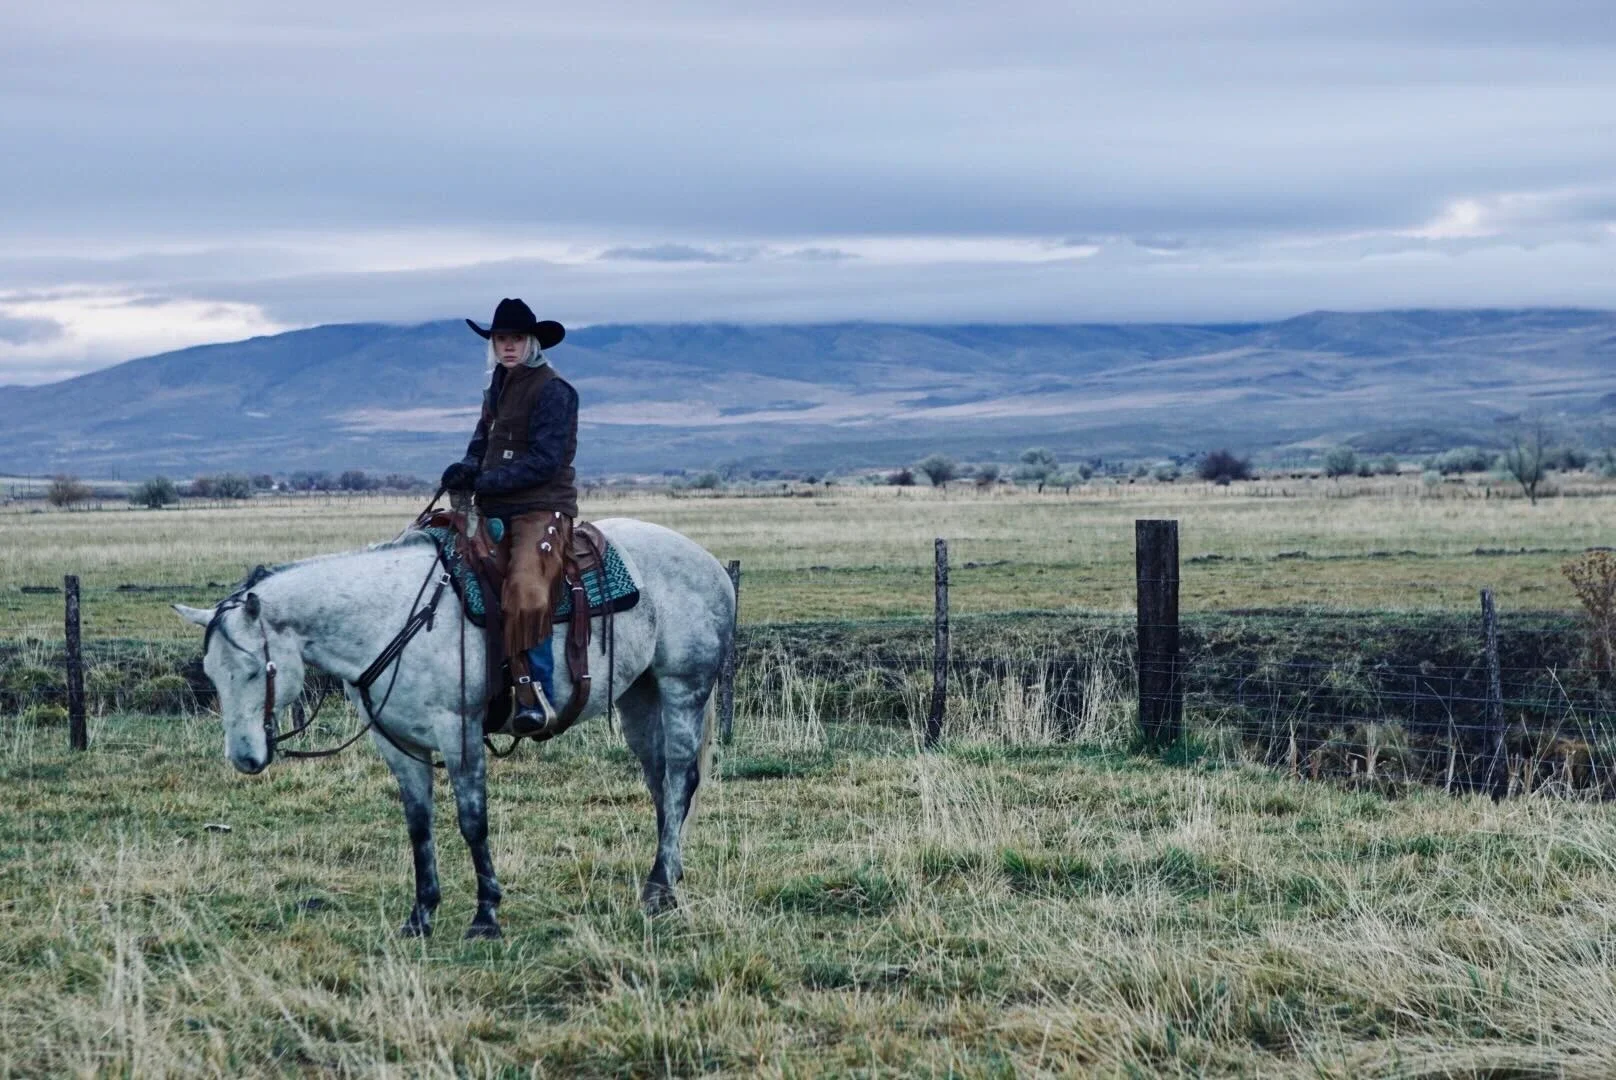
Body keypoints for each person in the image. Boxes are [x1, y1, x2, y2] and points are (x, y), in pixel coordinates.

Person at [441, 298, 577, 733]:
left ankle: (538, 694)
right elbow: (482, 442)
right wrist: (465, 468)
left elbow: (545, 461)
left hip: (541, 507)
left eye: (516, 338)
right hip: (494, 504)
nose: (508, 346)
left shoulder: (554, 390)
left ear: (531, 341)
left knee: (525, 587)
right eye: (501, 339)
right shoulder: (496, 387)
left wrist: (486, 483)